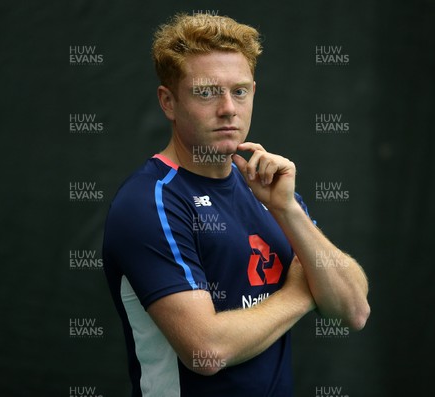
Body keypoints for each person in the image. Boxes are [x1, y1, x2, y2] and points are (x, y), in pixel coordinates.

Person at [102, 13, 370, 397]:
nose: (228, 108)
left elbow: (354, 309)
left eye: (239, 91)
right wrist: (300, 293)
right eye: (206, 92)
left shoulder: (270, 191)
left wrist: (289, 212)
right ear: (168, 102)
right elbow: (205, 350)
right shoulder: (150, 202)